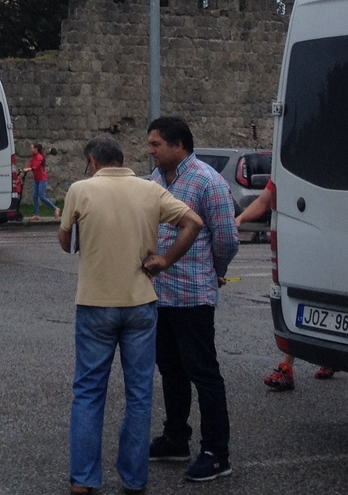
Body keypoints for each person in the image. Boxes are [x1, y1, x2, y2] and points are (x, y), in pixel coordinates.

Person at [60, 133, 204, 495]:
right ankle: (134, 477)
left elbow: (65, 243)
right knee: (139, 393)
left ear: (92, 161)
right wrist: (166, 260)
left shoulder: (81, 189)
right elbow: (194, 222)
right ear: (122, 160)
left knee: (89, 391)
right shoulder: (150, 190)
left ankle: (84, 478)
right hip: (140, 302)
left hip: (95, 303)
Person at [145, 117, 239, 482]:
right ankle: (176, 437)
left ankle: (217, 452)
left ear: (178, 145)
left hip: (193, 295)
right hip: (160, 295)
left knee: (203, 372)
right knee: (170, 369)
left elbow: (227, 238)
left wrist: (214, 270)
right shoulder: (154, 183)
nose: (151, 150)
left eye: (156, 144)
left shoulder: (207, 181)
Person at [236, 180, 334, 389]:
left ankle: (300, 364)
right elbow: (264, 201)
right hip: (298, 245)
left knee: (326, 302)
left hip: (331, 245)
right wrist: (241, 218)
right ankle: (290, 367)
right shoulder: (285, 173)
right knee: (302, 303)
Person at [26, 143, 56, 220]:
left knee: (42, 197)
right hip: (37, 179)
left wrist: (30, 169)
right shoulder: (33, 157)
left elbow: (36, 166)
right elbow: (30, 164)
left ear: (36, 149)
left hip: (42, 179)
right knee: (35, 196)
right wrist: (24, 169)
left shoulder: (39, 157)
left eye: (32, 148)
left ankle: (55, 208)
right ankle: (36, 214)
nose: (31, 150)